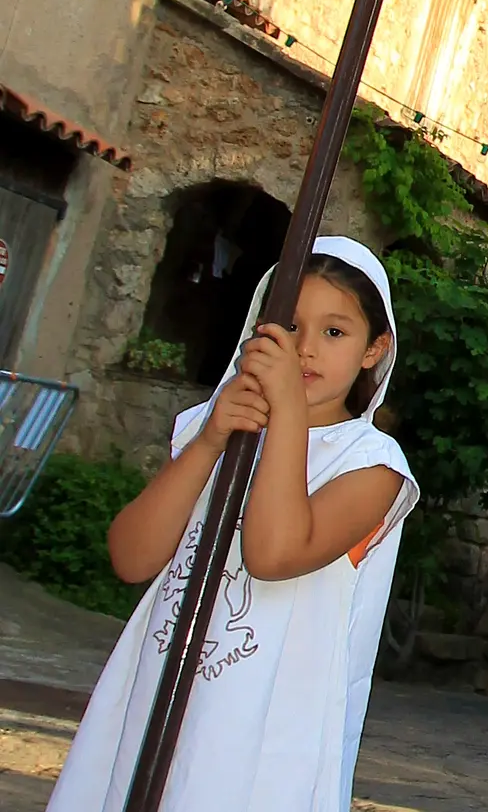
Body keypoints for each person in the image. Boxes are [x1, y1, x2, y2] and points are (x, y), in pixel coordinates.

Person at [48, 237, 416, 812]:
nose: (306, 349)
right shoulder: (215, 426)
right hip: (156, 688)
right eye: (289, 327)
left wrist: (286, 410)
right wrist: (209, 442)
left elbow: (273, 554)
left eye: (334, 331)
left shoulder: (372, 464)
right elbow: (131, 558)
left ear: (375, 348)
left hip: (264, 724)